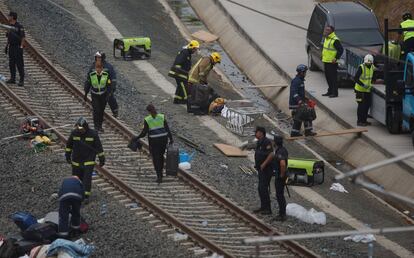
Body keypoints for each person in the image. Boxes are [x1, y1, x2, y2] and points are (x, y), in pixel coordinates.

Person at [65, 117, 105, 200]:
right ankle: (76, 194)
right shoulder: (74, 133)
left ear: (86, 127)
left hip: (88, 161)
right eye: (79, 128)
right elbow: (69, 146)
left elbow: (99, 148)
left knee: (87, 179)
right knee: (76, 179)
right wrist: (67, 156)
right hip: (76, 161)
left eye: (81, 128)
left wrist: (102, 159)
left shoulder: (93, 134)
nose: (80, 130)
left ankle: (86, 196)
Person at [134, 104, 173, 183]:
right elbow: (167, 128)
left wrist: (137, 137)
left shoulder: (147, 119)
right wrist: (171, 139)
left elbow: (144, 132)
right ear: (155, 109)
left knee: (156, 158)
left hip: (154, 142)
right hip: (163, 140)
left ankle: (159, 176)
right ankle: (161, 173)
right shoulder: (161, 117)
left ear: (148, 111)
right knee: (161, 156)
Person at [169, 40, 200, 104]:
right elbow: (178, 62)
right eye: (195, 49)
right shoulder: (184, 52)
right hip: (179, 74)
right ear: (192, 48)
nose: (195, 51)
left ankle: (177, 100)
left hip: (182, 74)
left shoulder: (188, 53)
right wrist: (179, 72)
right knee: (184, 87)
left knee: (180, 86)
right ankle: (187, 100)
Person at [289, 64, 316, 137]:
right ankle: (295, 133)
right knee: (301, 116)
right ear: (301, 72)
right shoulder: (296, 81)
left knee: (306, 115)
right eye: (305, 72)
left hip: (300, 103)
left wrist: (307, 100)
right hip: (296, 104)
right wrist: (300, 101)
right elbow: (294, 93)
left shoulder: (300, 81)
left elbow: (301, 94)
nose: (305, 74)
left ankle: (307, 131)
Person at [84, 61, 112, 132]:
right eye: (97, 68)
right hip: (95, 95)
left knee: (101, 111)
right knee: (96, 111)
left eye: (100, 68)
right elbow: (88, 84)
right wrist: (85, 94)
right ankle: (96, 126)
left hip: (103, 95)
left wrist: (109, 94)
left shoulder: (106, 75)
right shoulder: (92, 75)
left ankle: (100, 126)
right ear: (95, 68)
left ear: (102, 68)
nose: (98, 70)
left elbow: (109, 85)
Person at [253, 126, 273, 215]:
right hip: (260, 169)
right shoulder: (259, 142)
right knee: (260, 189)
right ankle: (263, 207)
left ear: (261, 133)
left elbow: (271, 154)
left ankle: (268, 209)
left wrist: (264, 164)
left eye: (256, 132)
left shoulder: (266, 141)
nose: (255, 134)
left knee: (263, 188)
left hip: (266, 169)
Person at [92, 51, 119, 118]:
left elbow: (113, 78)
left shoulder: (108, 67)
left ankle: (115, 111)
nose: (97, 59)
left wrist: (112, 87)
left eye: (99, 57)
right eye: (96, 57)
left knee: (110, 98)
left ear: (102, 58)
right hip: (97, 87)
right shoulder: (93, 65)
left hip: (107, 87)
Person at [321, 25, 343, 98]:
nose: (326, 31)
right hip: (326, 61)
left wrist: (336, 58)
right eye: (326, 30)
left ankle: (334, 93)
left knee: (333, 78)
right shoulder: (327, 38)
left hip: (332, 62)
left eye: (328, 30)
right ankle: (330, 91)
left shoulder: (335, 39)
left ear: (331, 31)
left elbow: (341, 50)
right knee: (328, 77)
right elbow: (326, 49)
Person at [354, 54, 376, 127]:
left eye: (369, 63)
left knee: (367, 106)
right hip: (359, 90)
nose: (368, 64)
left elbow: (374, 75)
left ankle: (364, 120)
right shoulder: (361, 67)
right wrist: (363, 85)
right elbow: (356, 78)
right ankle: (359, 121)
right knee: (361, 106)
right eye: (367, 63)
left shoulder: (372, 67)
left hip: (367, 90)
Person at [5, 11, 25, 86]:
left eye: (9, 16)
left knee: (19, 64)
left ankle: (21, 80)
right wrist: (7, 46)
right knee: (11, 63)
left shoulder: (19, 26)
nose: (8, 17)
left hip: (17, 47)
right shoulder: (10, 26)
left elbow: (23, 38)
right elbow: (8, 37)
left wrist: (21, 47)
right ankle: (12, 78)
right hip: (11, 47)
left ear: (12, 17)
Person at [272, 134, 288, 221]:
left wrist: (281, 175)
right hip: (280, 175)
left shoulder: (280, 152)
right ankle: (282, 213)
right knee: (279, 195)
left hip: (280, 176)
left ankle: (282, 214)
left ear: (276, 142)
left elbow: (282, 164)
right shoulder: (281, 150)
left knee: (280, 195)